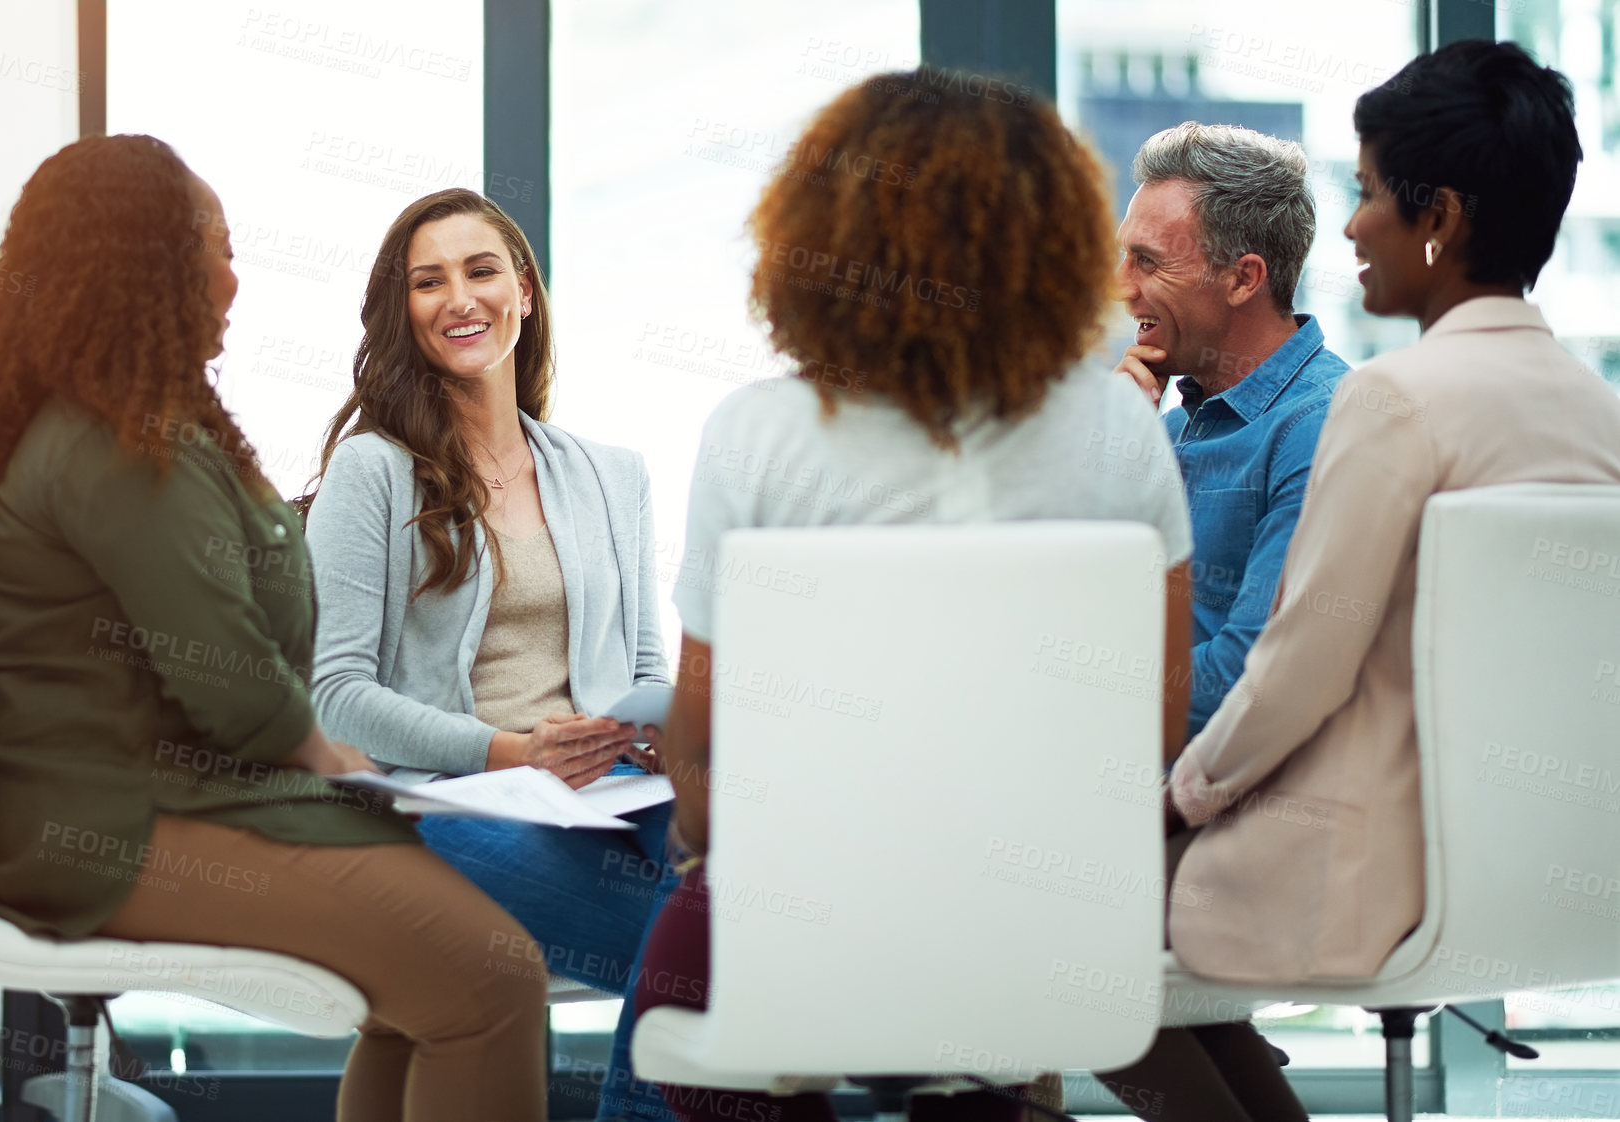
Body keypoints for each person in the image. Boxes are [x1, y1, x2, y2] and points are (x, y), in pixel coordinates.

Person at [0, 135, 546, 1122]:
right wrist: (350, 772)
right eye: (213, 249)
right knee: (494, 976)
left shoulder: (115, 425)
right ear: (148, 270)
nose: (232, 280)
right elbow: (242, 696)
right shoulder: (117, 444)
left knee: (425, 984)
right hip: (103, 831)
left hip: (103, 810)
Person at [634, 67, 1197, 1122]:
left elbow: (704, 763)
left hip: (807, 929)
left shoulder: (757, 438)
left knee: (673, 1004)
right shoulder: (1120, 432)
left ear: (823, 238)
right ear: (1049, 247)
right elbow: (1148, 732)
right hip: (1042, 928)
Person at [1103, 40, 1620, 1122]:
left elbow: (1282, 672)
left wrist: (1171, 805)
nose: (1348, 229)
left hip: (1368, 867)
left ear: (1439, 217)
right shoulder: (1598, 417)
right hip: (1540, 872)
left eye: (1370, 193)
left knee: (1039, 907)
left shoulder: (1382, 406)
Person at [300, 187, 677, 1122]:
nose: (458, 298)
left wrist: (650, 732)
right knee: (689, 946)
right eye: (428, 282)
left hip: (603, 796)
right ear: (405, 312)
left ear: (525, 292)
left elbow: (641, 665)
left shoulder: (611, 473)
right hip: (443, 803)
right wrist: (513, 751)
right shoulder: (373, 470)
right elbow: (336, 692)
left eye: (480, 271)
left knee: (744, 896)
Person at [1113, 123, 1350, 744]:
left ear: (1244, 279)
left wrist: (1072, 695)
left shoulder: (1322, 426)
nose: (1120, 285)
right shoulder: (1164, 425)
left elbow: (1246, 679)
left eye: (1149, 262)